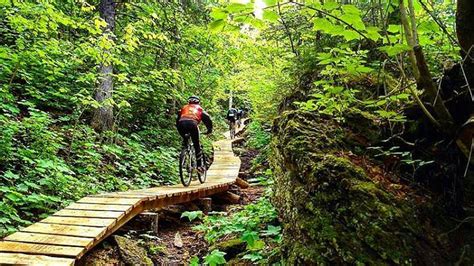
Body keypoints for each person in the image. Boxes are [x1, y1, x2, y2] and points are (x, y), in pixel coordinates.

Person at [176, 96, 212, 172]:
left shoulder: (184, 108)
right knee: (196, 144)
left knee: (185, 139)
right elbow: (207, 119)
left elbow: (178, 118)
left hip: (181, 124)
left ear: (188, 102)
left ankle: (184, 149)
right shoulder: (199, 109)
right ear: (198, 102)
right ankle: (199, 166)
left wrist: (179, 128)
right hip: (192, 124)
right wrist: (209, 129)